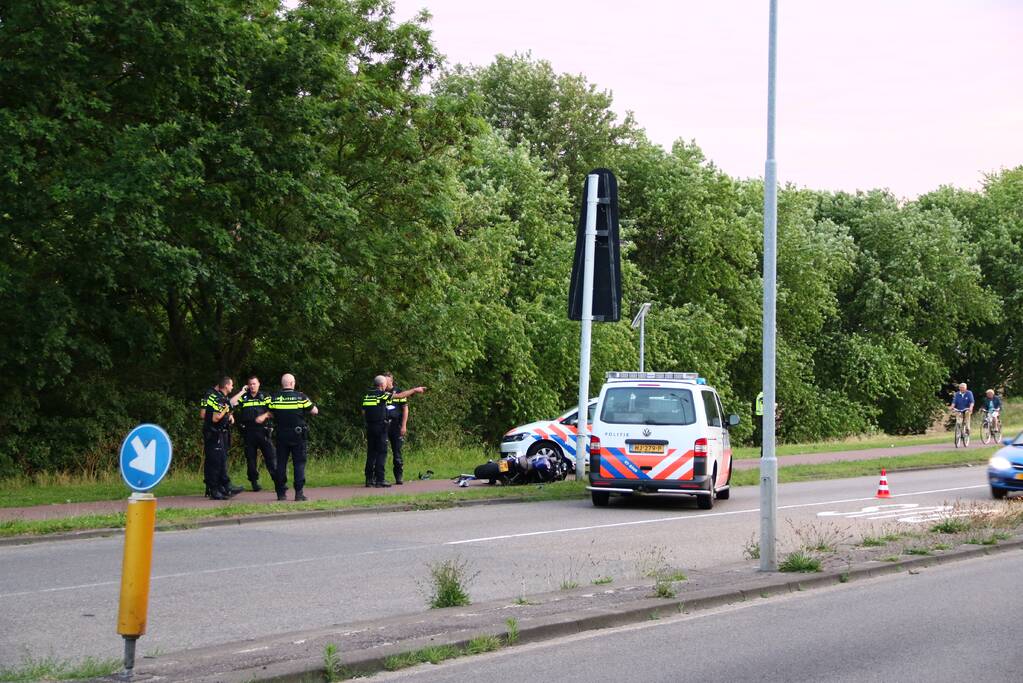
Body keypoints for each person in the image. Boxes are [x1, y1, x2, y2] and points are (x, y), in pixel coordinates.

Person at [261, 373, 318, 501]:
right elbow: (315, 411)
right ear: (293, 383)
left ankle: (281, 493)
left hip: (281, 435)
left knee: (281, 463)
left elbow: (269, 412)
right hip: (298, 435)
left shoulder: (274, 398)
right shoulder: (301, 397)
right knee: (299, 464)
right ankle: (299, 493)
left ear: (282, 384)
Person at [362, 376, 425, 488]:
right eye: (385, 383)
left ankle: (369, 479)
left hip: (370, 427)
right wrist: (415, 390)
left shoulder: (367, 395)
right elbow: (400, 396)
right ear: (382, 385)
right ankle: (380, 480)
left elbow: (363, 411)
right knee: (382, 452)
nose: (386, 385)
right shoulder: (381, 394)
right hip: (381, 427)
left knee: (371, 453)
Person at [236, 375, 278, 492]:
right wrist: (241, 391)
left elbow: (273, 411)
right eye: (250, 384)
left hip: (263, 431)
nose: (252, 386)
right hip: (248, 432)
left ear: (259, 384)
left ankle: (278, 482)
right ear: (248, 386)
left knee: (270, 457)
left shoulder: (265, 396)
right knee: (251, 459)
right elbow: (231, 404)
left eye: (254, 384)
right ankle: (254, 482)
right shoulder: (244, 397)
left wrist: (264, 415)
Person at [201, 377, 240, 500]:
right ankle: (214, 489)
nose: (232, 387)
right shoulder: (213, 397)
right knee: (215, 462)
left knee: (221, 460)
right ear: (226, 385)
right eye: (231, 385)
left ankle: (222, 487)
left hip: (220, 433)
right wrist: (226, 409)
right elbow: (214, 417)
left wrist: (228, 413)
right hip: (213, 433)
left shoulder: (220, 398)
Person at [384, 371, 410, 485]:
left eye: (387, 380)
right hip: (383, 424)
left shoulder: (398, 392)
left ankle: (399, 476)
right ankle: (380, 477)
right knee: (381, 451)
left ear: (391, 381)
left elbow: (405, 409)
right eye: (383, 380)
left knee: (397, 452)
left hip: (396, 424)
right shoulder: (380, 392)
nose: (384, 382)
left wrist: (404, 425)